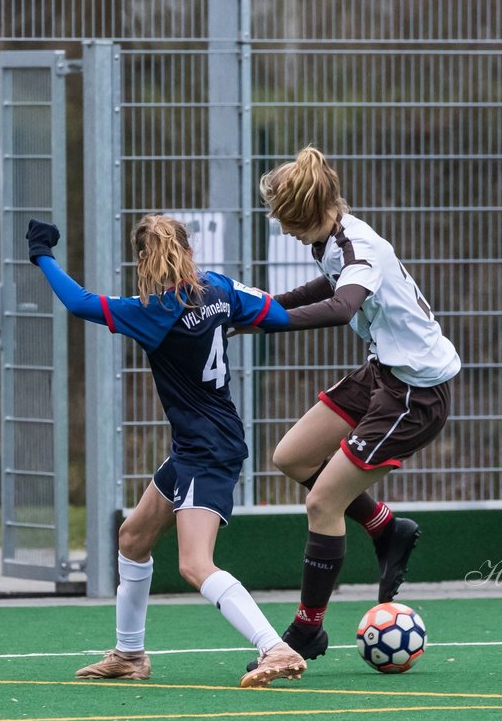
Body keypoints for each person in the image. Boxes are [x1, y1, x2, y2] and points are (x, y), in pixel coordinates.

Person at [25, 213, 307, 688]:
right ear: (189, 250)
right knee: (133, 539)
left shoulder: (151, 310)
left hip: (206, 450)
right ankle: (129, 655)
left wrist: (42, 255)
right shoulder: (218, 287)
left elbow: (78, 303)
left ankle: (274, 647)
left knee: (195, 564)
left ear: (142, 260)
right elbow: (276, 315)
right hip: (197, 444)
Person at [246, 145, 462, 671]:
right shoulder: (332, 237)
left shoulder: (358, 243)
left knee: (323, 503)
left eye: (286, 222)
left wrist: (273, 322)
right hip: (382, 371)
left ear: (309, 212)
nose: (283, 232)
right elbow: (332, 283)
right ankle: (386, 527)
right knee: (292, 457)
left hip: (415, 393)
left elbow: (343, 305)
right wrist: (269, 304)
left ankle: (306, 630)